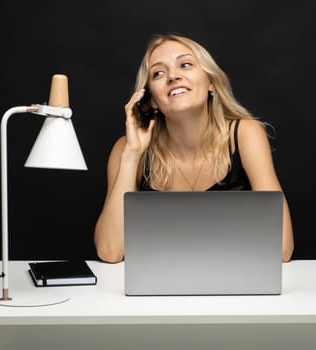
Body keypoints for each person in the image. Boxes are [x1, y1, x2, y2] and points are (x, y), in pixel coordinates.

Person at [94, 33, 294, 263]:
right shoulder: (126, 149)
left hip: (234, 287)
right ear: (150, 100)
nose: (173, 76)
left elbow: (281, 249)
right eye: (158, 73)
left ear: (211, 83)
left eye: (185, 65)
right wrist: (132, 155)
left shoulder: (245, 134)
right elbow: (110, 251)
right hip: (156, 293)